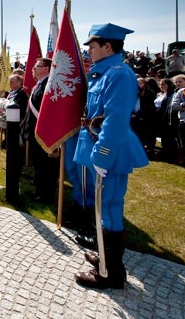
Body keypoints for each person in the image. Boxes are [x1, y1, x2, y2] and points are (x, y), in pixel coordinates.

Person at [73, 23, 148, 290]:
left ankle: (110, 273)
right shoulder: (104, 73)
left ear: (107, 46)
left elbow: (115, 121)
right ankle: (105, 255)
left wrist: (102, 157)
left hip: (109, 151)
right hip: (98, 146)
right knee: (103, 208)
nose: (89, 51)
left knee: (111, 208)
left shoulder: (118, 74)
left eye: (92, 46)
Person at [20, 58, 59, 203]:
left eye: (37, 66)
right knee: (38, 164)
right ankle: (39, 190)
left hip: (44, 133)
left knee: (45, 166)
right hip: (34, 132)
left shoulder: (49, 86)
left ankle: (45, 195)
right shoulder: (39, 84)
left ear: (46, 69)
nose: (33, 68)